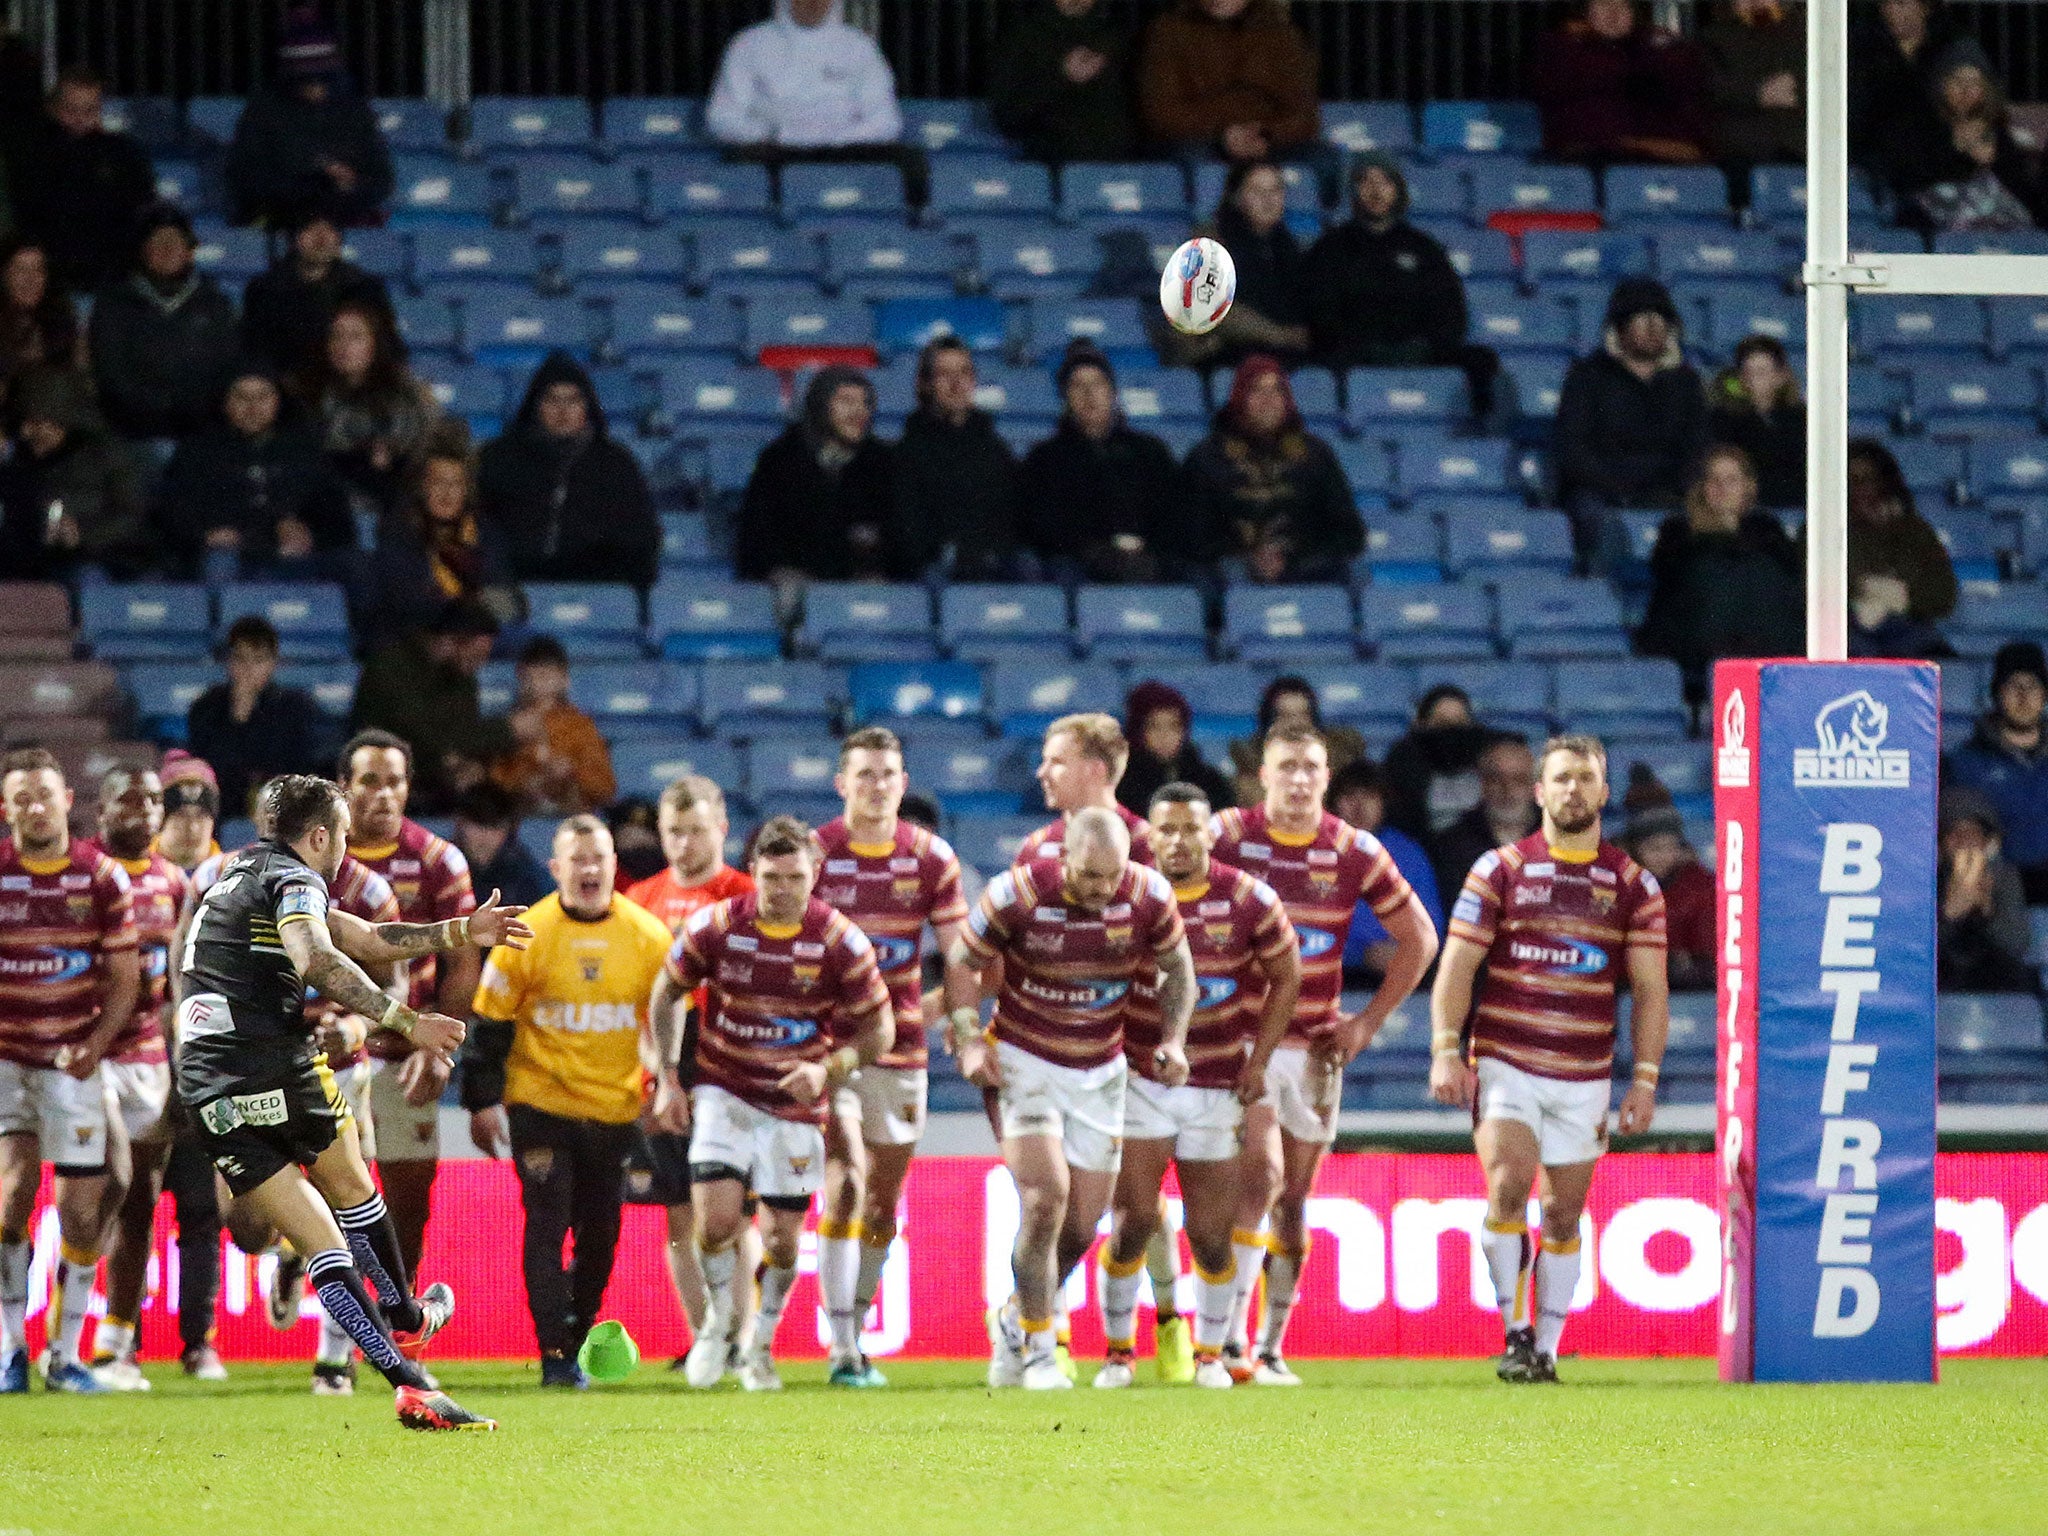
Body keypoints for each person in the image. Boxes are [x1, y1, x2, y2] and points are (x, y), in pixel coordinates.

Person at [173, 772, 516, 1428]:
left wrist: (457, 932)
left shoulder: (234, 873)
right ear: (320, 835)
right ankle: (409, 1318)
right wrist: (408, 1021)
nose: (347, 851)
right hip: (273, 1061)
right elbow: (321, 957)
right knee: (354, 1191)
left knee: (318, 1243)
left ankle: (409, 1383)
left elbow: (362, 935)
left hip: (206, 1084)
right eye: (344, 837)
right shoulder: (298, 878)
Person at [1431, 736, 1669, 1384]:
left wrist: (1644, 1079)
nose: (1572, 790)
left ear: (1604, 792)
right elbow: (1458, 964)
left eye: (1585, 779)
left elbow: (1650, 989)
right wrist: (1446, 1050)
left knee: (1564, 1212)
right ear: (1540, 791)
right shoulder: (1499, 869)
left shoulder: (1632, 883)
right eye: (1561, 778)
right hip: (1506, 1056)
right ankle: (1514, 1332)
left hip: (1586, 1072)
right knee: (1509, 1183)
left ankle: (1549, 1348)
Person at [1210, 722, 1437, 1382]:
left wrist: (1367, 1023)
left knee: (1292, 1203)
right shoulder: (1227, 835)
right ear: (1264, 775)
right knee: (1261, 1177)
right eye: (1287, 767)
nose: (1300, 778)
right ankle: (1227, 1343)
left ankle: (1273, 1344)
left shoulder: (1352, 849)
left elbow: (1419, 939)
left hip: (1314, 1048)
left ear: (1326, 778)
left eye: (1311, 767)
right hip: (1243, 1039)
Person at [944, 807, 1195, 1391]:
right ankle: (1038, 1347)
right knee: (1044, 1199)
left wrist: (1174, 1040)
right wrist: (965, 1040)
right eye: (1087, 876)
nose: (1100, 889)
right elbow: (962, 960)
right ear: (1064, 860)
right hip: (1024, 1061)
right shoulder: (1017, 893)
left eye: (1111, 877)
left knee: (1082, 1226)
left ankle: (1011, 1318)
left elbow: (1178, 968)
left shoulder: (1149, 895)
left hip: (1100, 1071)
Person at [649, 815, 897, 1392]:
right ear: (754, 872)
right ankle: (717, 1326)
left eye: (795, 877)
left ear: (815, 874)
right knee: (713, 1224)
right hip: (724, 1089)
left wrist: (829, 1068)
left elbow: (879, 1030)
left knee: (783, 1242)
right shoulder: (718, 926)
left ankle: (761, 1342)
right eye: (771, 876)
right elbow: (666, 992)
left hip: (795, 1105)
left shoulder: (839, 939)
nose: (783, 889)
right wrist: (666, 1075)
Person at [1097, 783, 1299, 1389]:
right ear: (1148, 835)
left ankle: (1210, 1355)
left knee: (1211, 1235)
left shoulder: (1248, 898)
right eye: (1167, 829)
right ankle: (1117, 1354)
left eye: (1191, 829)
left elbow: (1287, 977)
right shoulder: (1123, 893)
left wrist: (1258, 1060)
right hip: (1140, 1080)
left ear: (1212, 833)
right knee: (1133, 1218)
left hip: (1216, 1085)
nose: (1179, 841)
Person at [460, 814, 673, 1386]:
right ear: (556, 869)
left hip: (616, 1109)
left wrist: (671, 1083)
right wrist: (481, 1104)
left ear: (612, 866)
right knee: (548, 1221)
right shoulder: (526, 935)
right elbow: (490, 1027)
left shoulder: (650, 938)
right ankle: (555, 1351)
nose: (589, 869)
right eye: (577, 860)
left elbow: (675, 1021)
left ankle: (575, 1336)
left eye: (598, 858)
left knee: (602, 1236)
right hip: (541, 1104)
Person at [812, 728, 974, 1386]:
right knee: (846, 1180)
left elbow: (962, 955)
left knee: (882, 1201)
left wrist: (957, 1016)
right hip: (833, 1047)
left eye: (888, 775)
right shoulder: (816, 854)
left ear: (903, 785)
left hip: (903, 1051)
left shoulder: (931, 859)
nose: (877, 786)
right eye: (865, 774)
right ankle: (842, 1343)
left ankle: (858, 1318)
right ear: (842, 783)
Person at [0, 750, 141, 1394]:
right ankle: (10, 1350)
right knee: (9, 1204)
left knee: (83, 1217)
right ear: (7, 809)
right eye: (21, 797)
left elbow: (124, 979)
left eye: (44, 795)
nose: (34, 807)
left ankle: (66, 1352)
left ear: (66, 801)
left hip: (73, 1065)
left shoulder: (102, 877)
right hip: (9, 1064)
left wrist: (99, 1043)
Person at [337, 729, 482, 1285]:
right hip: (326, 1049)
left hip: (405, 1051)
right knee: (329, 1186)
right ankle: (297, 1259)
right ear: (344, 788)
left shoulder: (439, 861)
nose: (382, 794)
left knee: (408, 1201)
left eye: (393, 781)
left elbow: (463, 965)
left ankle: (401, 1319)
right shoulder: (320, 858)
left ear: (408, 787)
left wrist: (442, 1048)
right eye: (369, 781)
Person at [623, 776, 758, 1368]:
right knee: (680, 1213)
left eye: (696, 830)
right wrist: (654, 1076)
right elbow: (634, 1000)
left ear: (722, 827)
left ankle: (742, 1339)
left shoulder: (746, 895)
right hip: (662, 1070)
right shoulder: (639, 899)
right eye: (674, 832)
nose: (684, 844)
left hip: (732, 1065)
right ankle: (706, 1338)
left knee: (735, 1212)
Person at [152, 757, 233, 1380]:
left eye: (201, 812)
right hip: (132, 1059)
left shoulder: (233, 879)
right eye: (177, 812)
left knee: (203, 1207)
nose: (188, 824)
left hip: (205, 1061)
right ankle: (113, 1337)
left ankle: (197, 1339)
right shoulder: (126, 874)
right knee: (121, 1203)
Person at [704, 0, 926, 206]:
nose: (813, 4)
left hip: (844, 150)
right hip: (776, 149)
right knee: (740, 163)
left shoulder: (859, 46)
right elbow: (722, 116)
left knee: (911, 162)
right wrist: (773, 134)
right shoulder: (750, 43)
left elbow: (886, 120)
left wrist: (838, 139)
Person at [1555, 277, 1708, 568]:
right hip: (1601, 491)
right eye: (1642, 318)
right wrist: (1617, 487)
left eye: (1661, 320)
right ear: (1619, 328)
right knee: (1593, 517)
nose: (1653, 328)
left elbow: (1698, 446)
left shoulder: (1685, 382)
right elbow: (1571, 449)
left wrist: (1675, 486)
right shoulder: (1587, 377)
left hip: (1667, 491)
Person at [156, 360, 355, 583]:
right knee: (220, 564)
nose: (253, 407)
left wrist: (308, 535)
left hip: (298, 558)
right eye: (242, 397)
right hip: (228, 557)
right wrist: (206, 536)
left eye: (263, 396)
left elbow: (338, 519)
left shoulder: (304, 450)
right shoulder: (198, 451)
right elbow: (172, 513)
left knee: (354, 565)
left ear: (278, 401)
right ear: (225, 401)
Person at [1635, 444, 1806, 703]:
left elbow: (1785, 578)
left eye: (1731, 480)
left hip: (1763, 633)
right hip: (1695, 635)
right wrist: (1717, 534)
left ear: (1748, 487)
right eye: (1713, 480)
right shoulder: (1678, 529)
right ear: (1701, 486)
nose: (1721, 487)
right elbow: (1671, 573)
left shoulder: (1766, 528)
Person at [477, 352, 659, 590]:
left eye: (573, 400)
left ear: (587, 406)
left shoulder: (616, 464)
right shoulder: (496, 459)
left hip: (599, 592)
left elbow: (640, 542)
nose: (563, 411)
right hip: (510, 589)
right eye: (552, 400)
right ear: (536, 405)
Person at [1305, 154, 1482, 396]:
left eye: (1385, 182)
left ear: (1398, 189)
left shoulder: (1424, 248)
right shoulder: (1330, 247)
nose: (1375, 191)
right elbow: (1321, 313)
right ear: (1353, 190)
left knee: (1482, 363)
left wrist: (1423, 346)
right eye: (1365, 181)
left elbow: (1450, 310)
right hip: (1355, 355)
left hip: (1419, 352)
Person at [1187, 355, 1361, 584]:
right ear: (1240, 398)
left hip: (1304, 564)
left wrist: (1291, 556)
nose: (1268, 400)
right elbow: (1192, 534)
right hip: (1231, 568)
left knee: (1354, 572)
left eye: (1276, 390)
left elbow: (1349, 531)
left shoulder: (1315, 455)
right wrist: (1249, 557)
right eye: (1257, 391)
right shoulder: (1208, 457)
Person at [1018, 341, 1182, 584]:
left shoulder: (1150, 452)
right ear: (1065, 397)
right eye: (1078, 386)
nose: (1089, 394)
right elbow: (1043, 526)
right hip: (1078, 564)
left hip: (1148, 559)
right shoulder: (1045, 458)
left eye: (1097, 384)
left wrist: (1147, 549)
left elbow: (1172, 514)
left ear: (1112, 393)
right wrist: (1096, 551)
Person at [225, 5, 393, 228]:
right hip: (281, 220)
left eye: (324, 79)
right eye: (307, 80)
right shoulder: (263, 111)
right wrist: (314, 179)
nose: (316, 88)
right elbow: (245, 179)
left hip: (343, 219)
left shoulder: (355, 111)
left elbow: (381, 180)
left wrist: (351, 184)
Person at [88, 202, 241, 444]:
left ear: (189, 250)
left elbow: (227, 367)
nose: (167, 249)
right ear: (142, 250)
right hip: (134, 434)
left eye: (176, 241)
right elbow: (113, 375)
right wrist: (157, 410)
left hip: (203, 431)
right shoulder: (114, 305)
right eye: (158, 241)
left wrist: (196, 410)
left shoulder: (215, 304)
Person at [351, 599, 516, 812]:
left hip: (437, 774)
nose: (479, 664)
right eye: (476, 655)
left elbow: (463, 733)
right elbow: (425, 734)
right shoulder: (391, 669)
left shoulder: (462, 678)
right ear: (450, 642)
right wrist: (507, 729)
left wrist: (468, 765)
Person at [734, 365, 894, 584]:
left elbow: (900, 539)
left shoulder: (882, 460)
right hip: (794, 583)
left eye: (865, 403)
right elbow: (757, 540)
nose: (859, 411)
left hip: (861, 582)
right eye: (846, 401)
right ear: (821, 404)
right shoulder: (780, 459)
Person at [7, 67, 155, 293]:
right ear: (53, 108)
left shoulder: (123, 155)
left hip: (111, 278)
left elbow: (141, 209)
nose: (79, 118)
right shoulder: (30, 154)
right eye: (71, 109)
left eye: (89, 110)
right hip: (50, 282)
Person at [1879, 38, 2048, 233]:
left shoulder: (1997, 130)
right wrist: (1960, 152)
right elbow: (1912, 184)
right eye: (1957, 81)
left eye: (1974, 82)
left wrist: (1991, 161)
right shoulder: (1922, 128)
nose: (1965, 90)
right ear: (1941, 85)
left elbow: (2024, 195)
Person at [0, 363, 149, 581]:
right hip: (25, 562)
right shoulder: (16, 459)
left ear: (60, 422)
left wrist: (81, 534)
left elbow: (131, 516)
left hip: (93, 561)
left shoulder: (105, 455)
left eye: (36, 423)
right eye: (24, 422)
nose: (26, 432)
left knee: (88, 577)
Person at [368, 429, 515, 649]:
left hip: (477, 632)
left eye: (456, 484)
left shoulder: (484, 530)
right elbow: (404, 597)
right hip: (418, 634)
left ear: (467, 490)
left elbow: (500, 589)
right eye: (438, 483)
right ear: (422, 487)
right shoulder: (399, 528)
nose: (447, 494)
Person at [296, 299, 440, 519]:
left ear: (375, 343)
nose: (344, 346)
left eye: (356, 337)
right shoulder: (308, 395)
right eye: (336, 336)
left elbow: (425, 454)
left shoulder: (408, 396)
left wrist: (390, 453)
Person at [890, 336, 1020, 581]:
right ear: (925, 384)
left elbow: (1011, 519)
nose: (957, 383)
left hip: (992, 565)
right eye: (943, 374)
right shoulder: (907, 453)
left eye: (964, 373)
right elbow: (907, 533)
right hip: (934, 570)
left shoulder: (995, 449)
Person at [184, 615, 333, 820]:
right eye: (240, 658)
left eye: (258, 659)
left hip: (282, 811)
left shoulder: (296, 707)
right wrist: (237, 719)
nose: (248, 669)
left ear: (273, 663)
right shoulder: (206, 707)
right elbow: (206, 768)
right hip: (222, 811)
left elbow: (298, 767)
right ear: (229, 662)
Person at [1137, 0, 1319, 162]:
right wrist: (1222, 135)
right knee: (1194, 156)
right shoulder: (1168, 31)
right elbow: (1161, 113)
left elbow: (1304, 116)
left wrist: (1265, 133)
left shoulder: (1281, 35)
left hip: (1269, 140)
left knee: (1324, 160)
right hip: (1201, 140)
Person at [1168, 162, 1309, 369]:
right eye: (1256, 191)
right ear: (1236, 196)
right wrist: (1279, 336)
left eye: (1275, 190)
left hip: (1283, 357)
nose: (1268, 199)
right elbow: (1211, 306)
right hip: (1221, 355)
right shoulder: (1210, 242)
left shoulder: (1290, 248)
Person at [1533, 0, 1709, 165]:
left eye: (1622, 5)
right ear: (1586, 13)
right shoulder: (1565, 48)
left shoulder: (1654, 49)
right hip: (1594, 153)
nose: (1613, 13)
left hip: (1652, 152)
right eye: (1604, 4)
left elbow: (1685, 78)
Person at [1948, 643, 2048, 906]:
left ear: (2044, 695)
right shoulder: (1965, 762)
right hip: (1995, 897)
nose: (2024, 696)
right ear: (1997, 692)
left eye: (2033, 685)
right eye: (2014, 685)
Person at [241, 205, 391, 376]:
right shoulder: (264, 290)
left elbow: (387, 347)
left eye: (330, 230)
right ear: (294, 238)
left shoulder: (364, 288)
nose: (322, 239)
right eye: (311, 229)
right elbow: (255, 352)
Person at [1327, 759, 1444, 979]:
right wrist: (1359, 954)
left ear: (1383, 803)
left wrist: (1405, 952)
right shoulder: (1317, 852)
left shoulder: (1408, 852)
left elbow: (1432, 924)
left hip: (1403, 970)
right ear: (1333, 804)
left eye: (1370, 797)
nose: (1359, 806)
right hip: (1335, 973)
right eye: (1350, 796)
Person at [1842, 438, 1956, 657]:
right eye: (1851, 481)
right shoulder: (1818, 532)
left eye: (1867, 480)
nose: (1858, 489)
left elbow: (1944, 594)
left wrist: (1901, 598)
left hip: (1907, 628)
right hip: (1850, 631)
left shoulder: (1915, 531)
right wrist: (1865, 590)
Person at [989, 0, 1141, 163]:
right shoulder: (1022, 38)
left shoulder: (1116, 39)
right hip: (1052, 167)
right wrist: (1062, 76)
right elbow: (1007, 114)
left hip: (1117, 168)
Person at [490, 636, 616, 817]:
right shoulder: (508, 725)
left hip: (570, 814)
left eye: (544, 676)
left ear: (564, 679)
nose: (535, 684)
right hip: (520, 813)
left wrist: (571, 771)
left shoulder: (580, 726)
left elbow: (605, 787)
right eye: (528, 677)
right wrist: (525, 779)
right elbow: (494, 782)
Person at [1016, 712, 1157, 867]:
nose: (1042, 773)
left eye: (1057, 762)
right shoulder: (1036, 845)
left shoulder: (1146, 843)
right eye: (1044, 761)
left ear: (1096, 770)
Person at [1937, 788, 2036, 993]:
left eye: (1971, 833)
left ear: (1988, 842)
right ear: (1941, 844)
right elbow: (1914, 957)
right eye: (1955, 834)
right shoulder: (1930, 881)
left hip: (2000, 990)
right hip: (1944, 989)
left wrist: (1986, 912)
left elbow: (2016, 945)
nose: (1963, 842)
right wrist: (1949, 915)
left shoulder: (2004, 877)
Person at [1620, 781, 1715, 991]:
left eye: (1671, 847)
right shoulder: (1620, 884)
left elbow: (1709, 960)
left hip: (1688, 993)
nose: (1664, 856)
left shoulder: (1700, 887)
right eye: (1654, 848)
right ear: (1635, 849)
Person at [1849, 0, 1962, 170]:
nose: (1891, 10)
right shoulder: (1866, 49)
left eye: (1901, 3)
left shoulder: (1950, 48)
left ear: (1925, 8)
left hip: (1941, 161)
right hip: (1877, 163)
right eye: (1885, 4)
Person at [1429, 736, 1540, 904]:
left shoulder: (1559, 839)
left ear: (1535, 786)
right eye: (1496, 779)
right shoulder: (1451, 845)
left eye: (1518, 780)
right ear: (1482, 783)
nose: (1507, 790)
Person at [1228, 676, 1366, 810]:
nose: (1295, 724)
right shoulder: (1246, 776)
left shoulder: (1343, 768)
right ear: (1268, 723)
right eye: (1284, 716)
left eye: (1303, 715)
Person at [1701, 0, 1806, 169]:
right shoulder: (1715, 39)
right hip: (1743, 154)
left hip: (1806, 151)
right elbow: (1706, 87)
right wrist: (1757, 93)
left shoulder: (1810, 32)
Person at [1706, 334, 1805, 510]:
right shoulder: (1723, 420)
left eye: (1761, 372)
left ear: (1780, 376)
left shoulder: (1801, 420)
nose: (1752, 380)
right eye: (1747, 373)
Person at [1382, 684, 1494, 840]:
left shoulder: (1488, 760)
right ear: (1423, 724)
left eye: (1459, 723)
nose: (1452, 731)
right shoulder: (1402, 767)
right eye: (1441, 723)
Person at [1118, 679, 1235, 816]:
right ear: (1138, 730)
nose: (1165, 736)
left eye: (1174, 726)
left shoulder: (1209, 781)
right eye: (1154, 726)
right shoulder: (1122, 784)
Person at [0, 239, 82, 417]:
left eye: (38, 270)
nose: (31, 279)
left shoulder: (60, 319)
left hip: (57, 420)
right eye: (21, 270)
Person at [452, 782, 551, 910]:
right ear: (460, 825)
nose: (485, 837)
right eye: (478, 825)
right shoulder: (442, 868)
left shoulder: (529, 875)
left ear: (509, 830)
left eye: (494, 827)